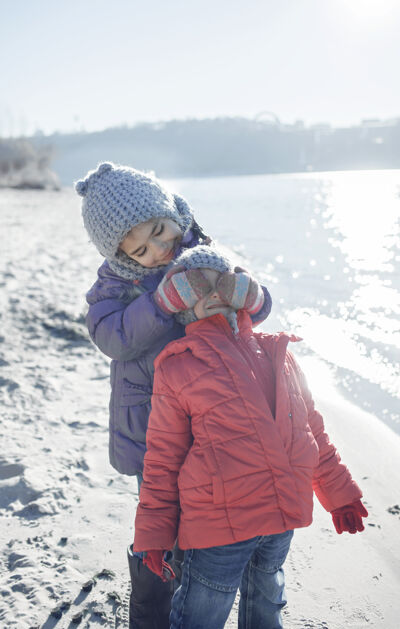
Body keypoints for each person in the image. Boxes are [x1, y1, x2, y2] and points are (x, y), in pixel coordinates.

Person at [75, 163, 272, 628]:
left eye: (161, 231)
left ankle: (198, 596)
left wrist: (245, 296)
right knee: (160, 521)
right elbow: (113, 338)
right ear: (121, 256)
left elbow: (258, 308)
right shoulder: (113, 288)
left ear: (172, 213)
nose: (159, 250)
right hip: (150, 430)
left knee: (204, 519)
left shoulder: (205, 256)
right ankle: (150, 613)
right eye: (141, 249)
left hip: (210, 421)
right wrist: (164, 301)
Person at [133, 246, 368, 629]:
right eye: (197, 287)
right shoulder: (178, 366)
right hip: (218, 531)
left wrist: (340, 493)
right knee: (201, 615)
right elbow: (162, 459)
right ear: (182, 302)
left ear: (241, 289)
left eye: (221, 284)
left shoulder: (280, 353)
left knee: (266, 606)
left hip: (281, 517)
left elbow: (313, 432)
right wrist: (154, 534)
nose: (212, 294)